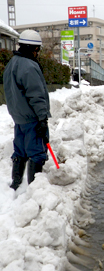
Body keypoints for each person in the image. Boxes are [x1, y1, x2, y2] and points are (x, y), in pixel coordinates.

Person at [3, 29, 51, 190]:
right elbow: (36, 96)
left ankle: (15, 185)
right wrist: (42, 119)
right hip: (31, 118)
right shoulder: (29, 66)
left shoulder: (11, 64)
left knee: (20, 151)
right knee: (37, 152)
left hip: (18, 117)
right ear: (34, 48)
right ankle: (34, 189)